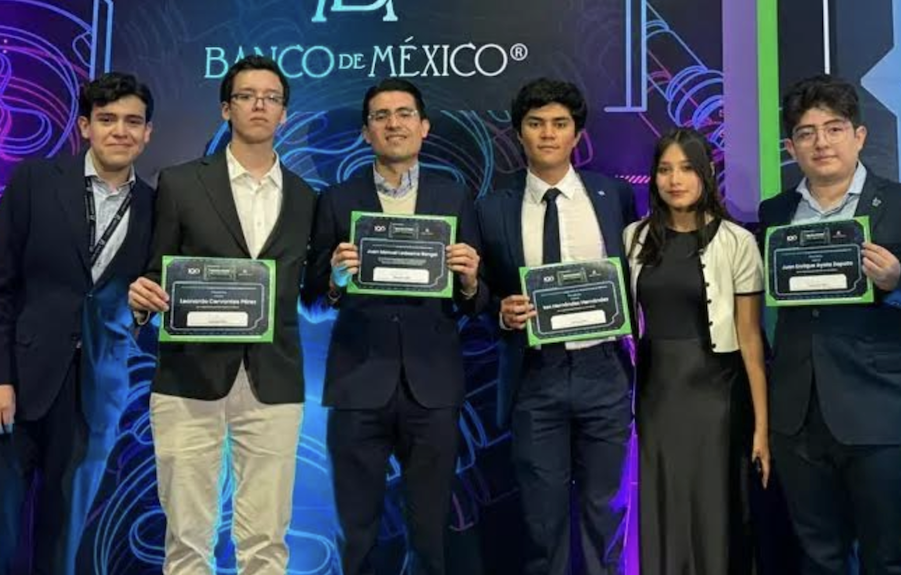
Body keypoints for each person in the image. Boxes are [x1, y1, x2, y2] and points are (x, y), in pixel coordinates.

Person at [760, 75, 901, 574]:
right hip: (798, 415)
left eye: (834, 128)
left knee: (892, 557)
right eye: (806, 133)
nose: (821, 142)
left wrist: (900, 281)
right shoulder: (775, 213)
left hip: (883, 412)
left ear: (859, 136)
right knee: (819, 558)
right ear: (791, 148)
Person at [0, 72, 156, 575]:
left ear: (147, 133)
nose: (120, 131)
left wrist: (142, 310)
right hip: (14, 386)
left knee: (62, 548)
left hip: (94, 394)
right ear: (85, 127)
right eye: (107, 119)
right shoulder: (36, 182)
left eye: (133, 121)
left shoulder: (157, 207)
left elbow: (153, 291)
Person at [127, 56, 317, 575]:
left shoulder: (306, 197)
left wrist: (341, 278)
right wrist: (142, 300)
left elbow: (316, 291)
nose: (259, 105)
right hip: (188, 375)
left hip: (274, 379)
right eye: (247, 96)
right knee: (187, 539)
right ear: (225, 108)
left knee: (267, 541)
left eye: (271, 98)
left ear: (284, 113)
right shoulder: (180, 183)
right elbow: (155, 271)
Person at [300, 77, 487, 575]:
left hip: (433, 385)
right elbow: (311, 300)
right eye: (380, 116)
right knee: (355, 533)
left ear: (424, 127)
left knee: (429, 533)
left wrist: (470, 281)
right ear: (366, 132)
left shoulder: (455, 197)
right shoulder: (336, 199)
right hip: (357, 382)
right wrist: (336, 279)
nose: (393, 123)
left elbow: (477, 302)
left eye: (404, 113)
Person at [476, 78, 637, 575]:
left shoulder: (612, 196)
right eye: (536, 123)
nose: (548, 134)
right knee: (541, 520)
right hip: (534, 375)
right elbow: (478, 291)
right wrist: (499, 309)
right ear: (519, 133)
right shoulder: (492, 208)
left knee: (605, 513)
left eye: (559, 124)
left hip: (603, 370)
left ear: (577, 135)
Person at [622, 127, 769, 574]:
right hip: (656, 395)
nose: (675, 180)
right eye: (665, 169)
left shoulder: (737, 241)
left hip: (717, 395)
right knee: (662, 507)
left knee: (715, 510)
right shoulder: (633, 237)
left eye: (687, 168)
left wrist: (762, 427)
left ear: (706, 173)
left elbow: (750, 338)